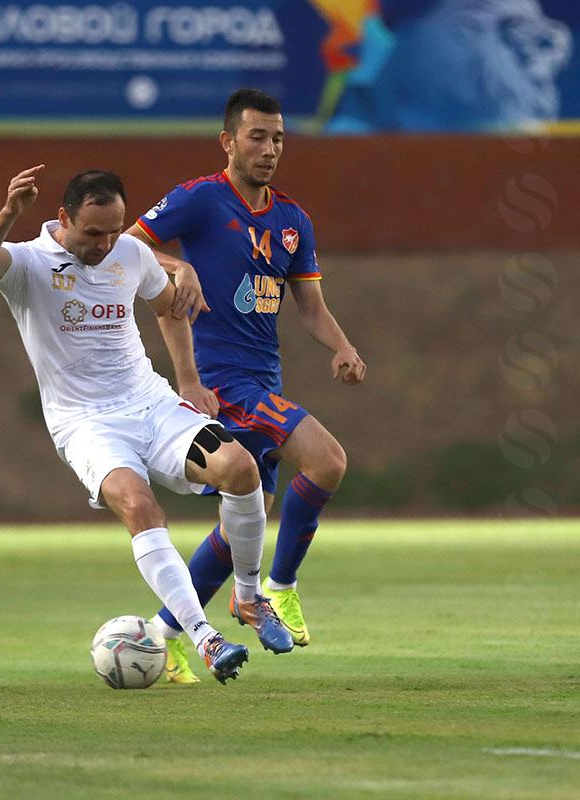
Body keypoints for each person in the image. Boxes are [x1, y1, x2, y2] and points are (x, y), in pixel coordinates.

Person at [0, 166, 294, 686]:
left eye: (115, 230)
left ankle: (250, 598)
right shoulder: (28, 263)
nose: (106, 243)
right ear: (63, 219)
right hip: (85, 422)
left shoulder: (131, 254)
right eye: (94, 232)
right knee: (139, 504)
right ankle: (205, 638)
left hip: (150, 403)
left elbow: (170, 307)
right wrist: (8, 213)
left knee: (241, 469)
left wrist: (188, 379)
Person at [127, 89, 366, 683]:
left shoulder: (292, 220)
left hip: (264, 375)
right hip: (219, 379)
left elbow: (310, 305)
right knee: (328, 460)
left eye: (278, 138)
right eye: (256, 137)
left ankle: (165, 634)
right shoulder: (201, 199)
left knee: (248, 517)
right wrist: (176, 266)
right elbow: (127, 247)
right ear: (228, 141)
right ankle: (276, 588)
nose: (269, 149)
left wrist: (340, 345)